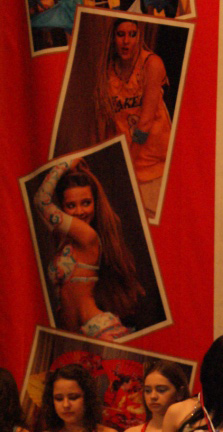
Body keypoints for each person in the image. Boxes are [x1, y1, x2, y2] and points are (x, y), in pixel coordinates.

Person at [33, 157, 144, 340]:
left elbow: (41, 201)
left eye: (86, 203)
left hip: (98, 329)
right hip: (74, 333)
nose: (80, 212)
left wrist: (67, 163)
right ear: (62, 207)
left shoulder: (88, 236)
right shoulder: (63, 237)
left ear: (95, 203)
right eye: (71, 205)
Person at [93, 19, 172, 219]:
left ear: (140, 36)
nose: (126, 41)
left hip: (155, 166)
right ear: (113, 38)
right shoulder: (107, 71)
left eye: (132, 34)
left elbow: (144, 124)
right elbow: (106, 124)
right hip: (125, 168)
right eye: (121, 35)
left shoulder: (151, 63)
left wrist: (126, 167)